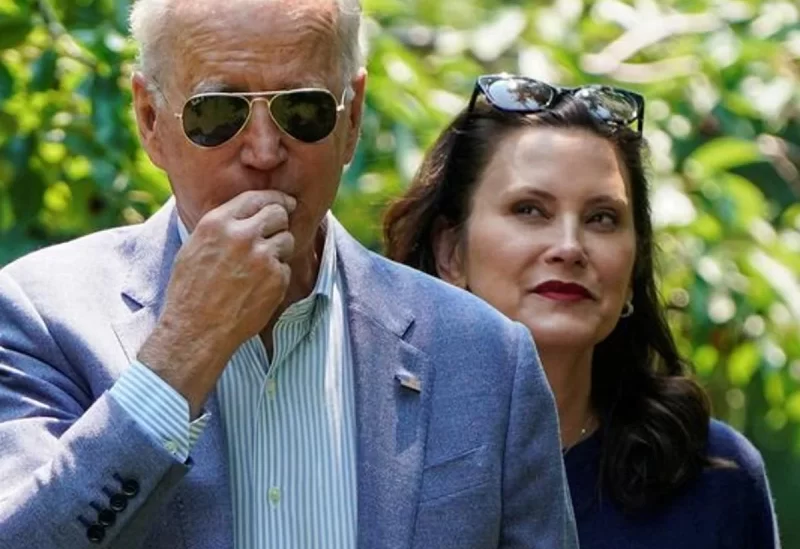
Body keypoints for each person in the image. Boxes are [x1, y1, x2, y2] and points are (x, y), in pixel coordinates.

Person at [0, 3, 579, 548]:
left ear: (351, 119)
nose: (263, 150)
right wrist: (182, 352)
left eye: (303, 110)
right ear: (151, 121)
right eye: (217, 112)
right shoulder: (42, 315)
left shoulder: (486, 355)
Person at [384, 74, 781, 548]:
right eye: (530, 210)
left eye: (602, 219)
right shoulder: (377, 456)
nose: (570, 248)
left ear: (634, 265)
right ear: (451, 252)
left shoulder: (714, 477)